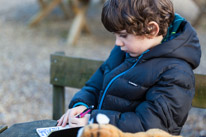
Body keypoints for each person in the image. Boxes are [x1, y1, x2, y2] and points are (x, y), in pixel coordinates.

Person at [57, 0, 201, 135]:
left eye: (123, 35)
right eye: (116, 35)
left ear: (152, 29)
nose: (118, 43)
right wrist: (82, 105)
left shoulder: (176, 73)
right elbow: (95, 85)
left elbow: (152, 126)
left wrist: (93, 120)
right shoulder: (125, 51)